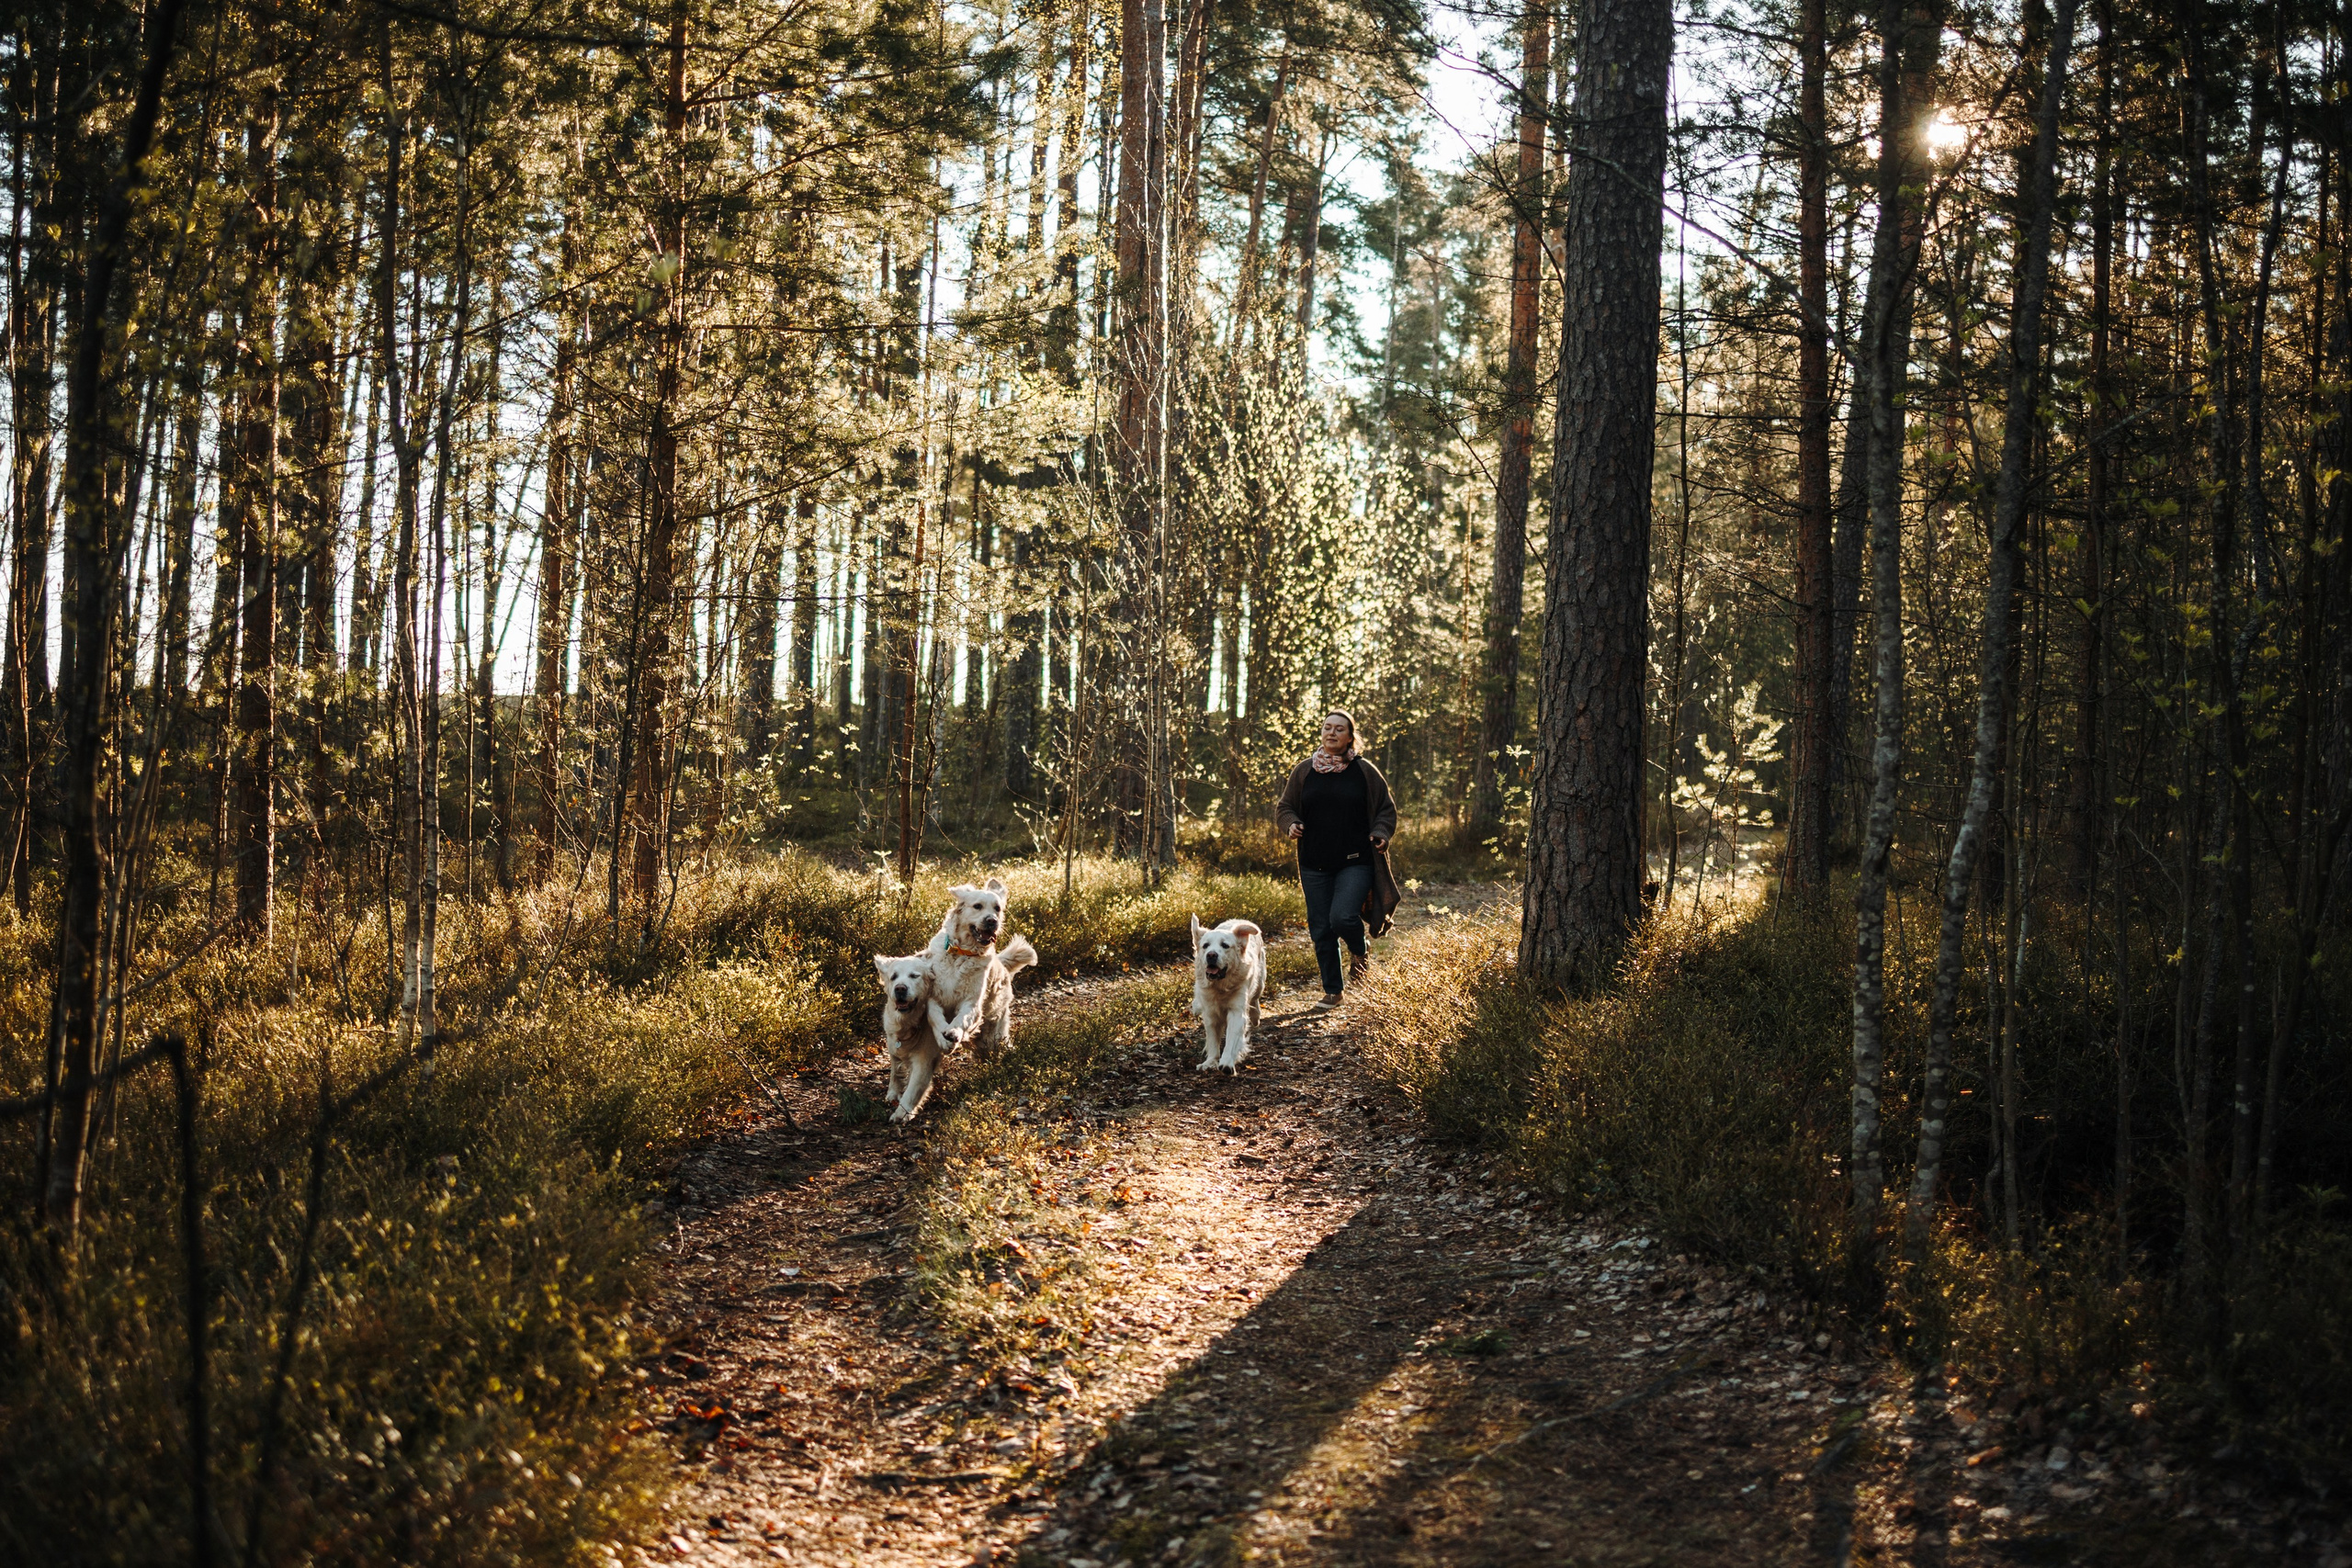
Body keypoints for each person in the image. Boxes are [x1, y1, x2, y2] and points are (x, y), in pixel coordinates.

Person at [1274, 711, 1398, 1010]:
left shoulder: (1364, 771)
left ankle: (1360, 950)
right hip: (1313, 862)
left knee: (1342, 917)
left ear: (1349, 736)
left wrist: (1381, 831)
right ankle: (1333, 992)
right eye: (1327, 727)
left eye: (1339, 729)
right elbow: (1285, 807)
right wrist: (1290, 824)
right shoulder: (1304, 771)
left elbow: (1386, 809)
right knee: (1321, 928)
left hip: (1356, 860)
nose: (1332, 733)